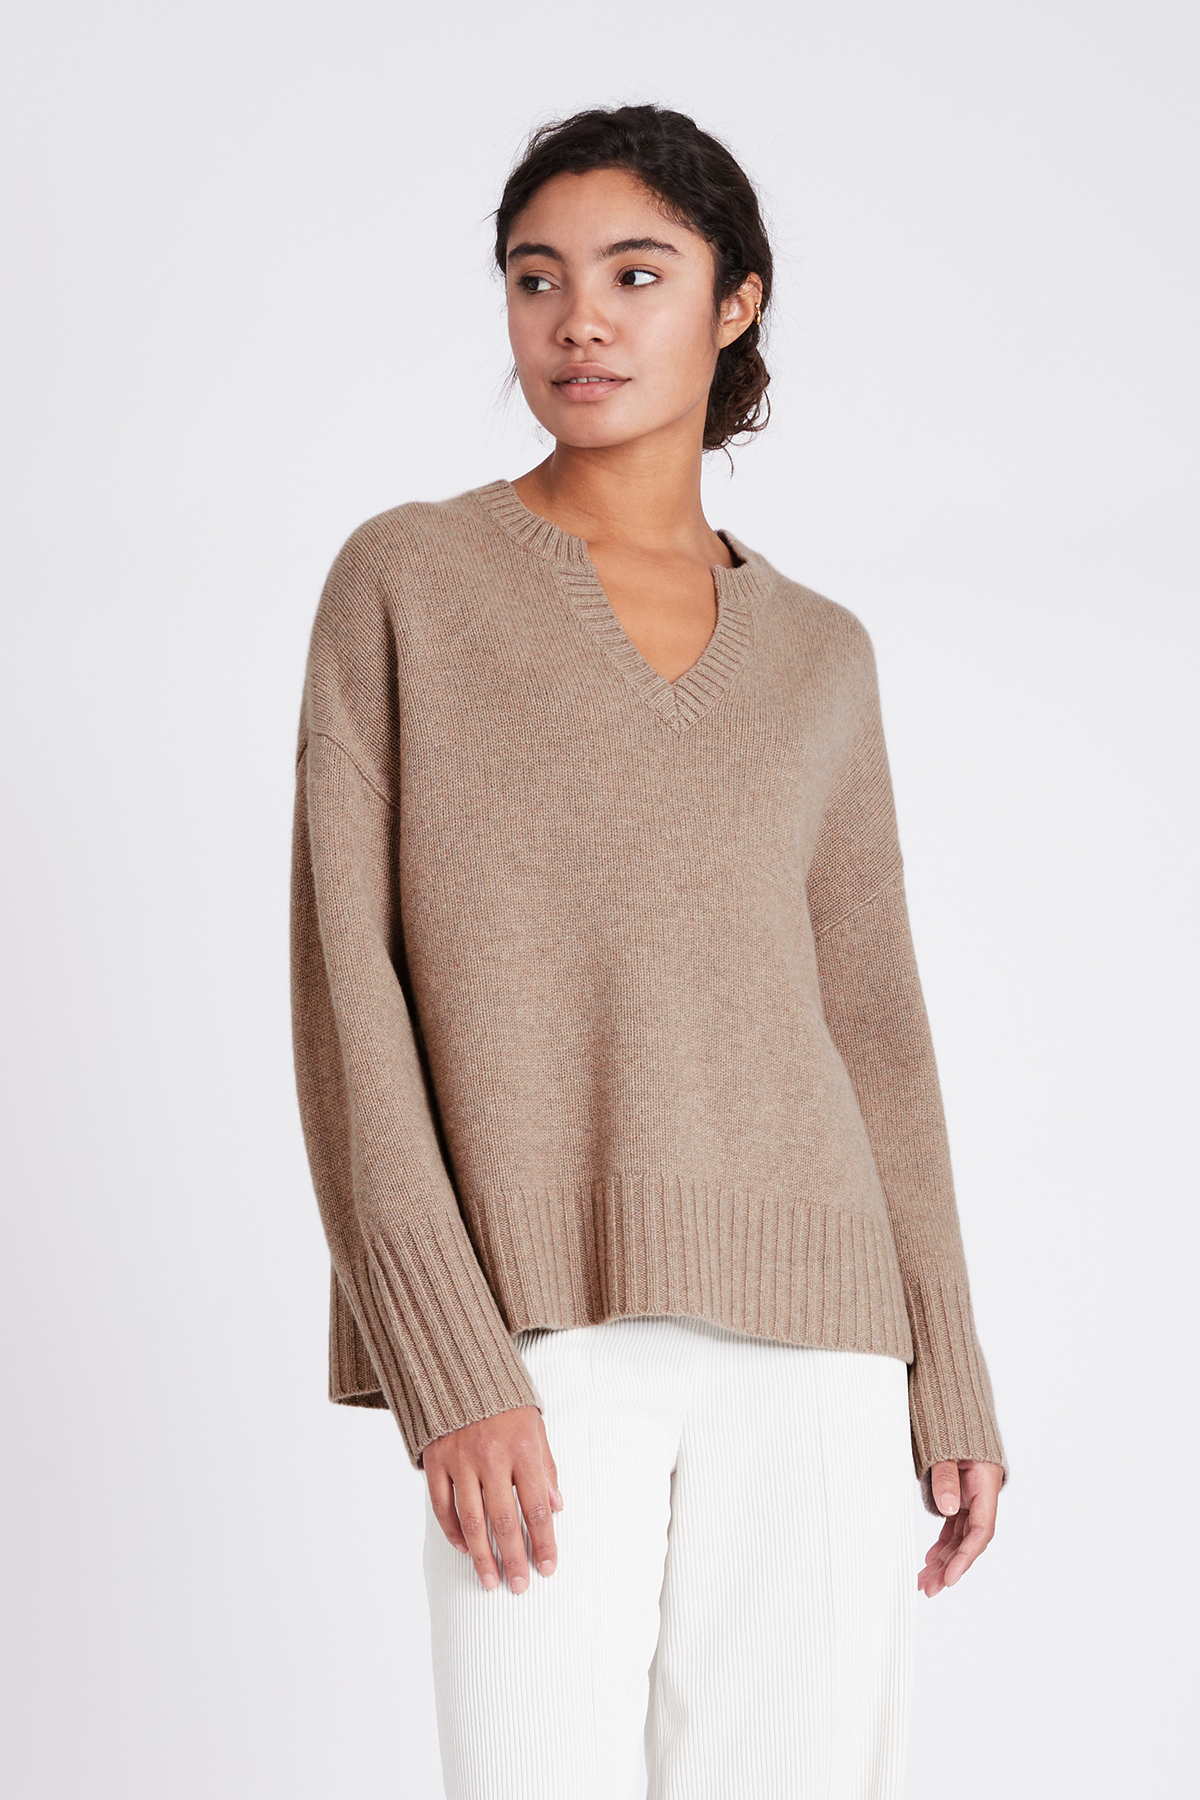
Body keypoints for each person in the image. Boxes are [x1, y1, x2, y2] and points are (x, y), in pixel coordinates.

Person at [290, 103, 1006, 1800]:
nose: (578, 322)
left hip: (824, 1347)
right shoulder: (408, 580)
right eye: (535, 278)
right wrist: (446, 1362)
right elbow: (346, 995)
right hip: (537, 1342)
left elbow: (875, 1024)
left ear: (734, 302)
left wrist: (950, 1367)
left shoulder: (822, 653)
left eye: (634, 274)